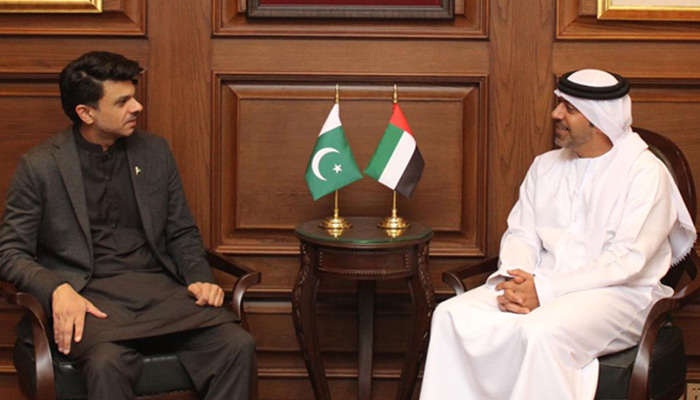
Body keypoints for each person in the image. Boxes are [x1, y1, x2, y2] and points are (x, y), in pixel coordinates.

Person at [419, 69, 697, 399]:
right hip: (540, 281)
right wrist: (517, 279)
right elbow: (522, 233)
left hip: (621, 295)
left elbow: (626, 263)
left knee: (539, 333)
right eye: (559, 104)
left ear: (600, 119)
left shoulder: (646, 174)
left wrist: (545, 291)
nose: (556, 114)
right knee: (452, 315)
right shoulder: (545, 166)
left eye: (569, 108)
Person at [0, 51, 256, 400]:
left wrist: (199, 278)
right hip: (90, 299)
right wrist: (57, 290)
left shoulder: (154, 152)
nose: (136, 107)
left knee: (235, 345)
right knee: (107, 362)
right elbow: (10, 252)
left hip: (158, 292)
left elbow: (181, 230)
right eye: (123, 101)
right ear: (86, 113)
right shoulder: (40, 166)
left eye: (134, 96)